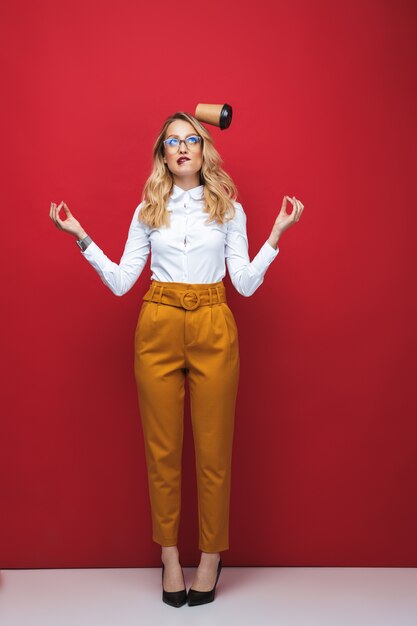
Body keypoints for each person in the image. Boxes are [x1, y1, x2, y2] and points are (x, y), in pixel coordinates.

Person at [49, 111, 304, 607]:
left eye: (191, 139)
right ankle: (169, 556)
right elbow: (124, 280)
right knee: (162, 451)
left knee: (214, 452)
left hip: (212, 321)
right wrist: (80, 236)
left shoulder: (229, 210)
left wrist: (276, 234)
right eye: (172, 141)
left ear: (204, 149)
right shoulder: (148, 210)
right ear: (162, 154)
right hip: (159, 323)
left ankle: (210, 556)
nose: (182, 147)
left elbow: (245, 285)